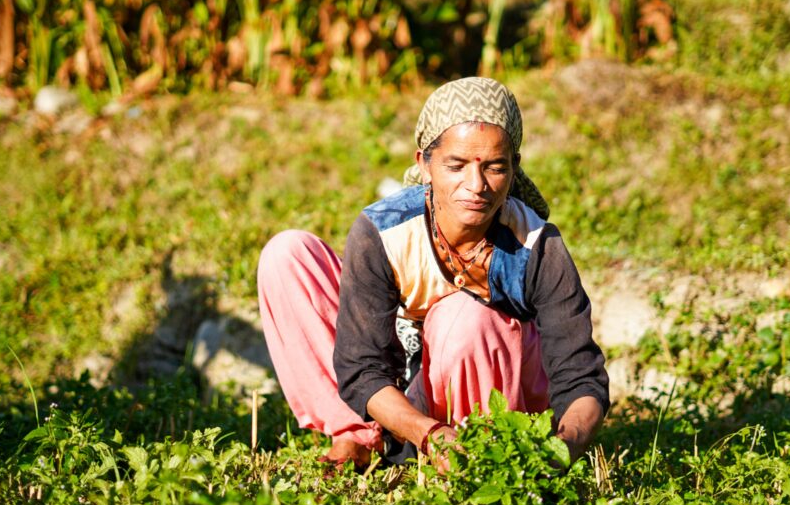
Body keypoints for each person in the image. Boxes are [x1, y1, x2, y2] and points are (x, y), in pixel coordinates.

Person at [257, 77, 609, 472]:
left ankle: (476, 455)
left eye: (494, 167)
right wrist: (427, 432)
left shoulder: (535, 245)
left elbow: (581, 378)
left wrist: (563, 447)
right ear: (424, 164)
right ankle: (359, 435)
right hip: (407, 400)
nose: (476, 186)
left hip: (498, 400)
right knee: (288, 255)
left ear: (514, 169)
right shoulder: (384, 231)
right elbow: (362, 367)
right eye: (455, 166)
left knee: (466, 315)